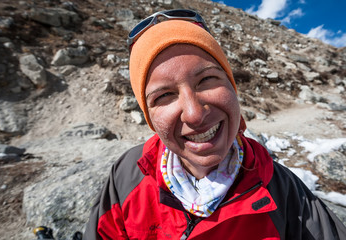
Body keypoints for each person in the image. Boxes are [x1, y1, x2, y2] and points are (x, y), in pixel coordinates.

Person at [84, 9, 346, 240]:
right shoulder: (125, 178)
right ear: (150, 118)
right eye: (164, 96)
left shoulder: (286, 194)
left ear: (233, 87)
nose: (195, 114)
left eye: (207, 80)